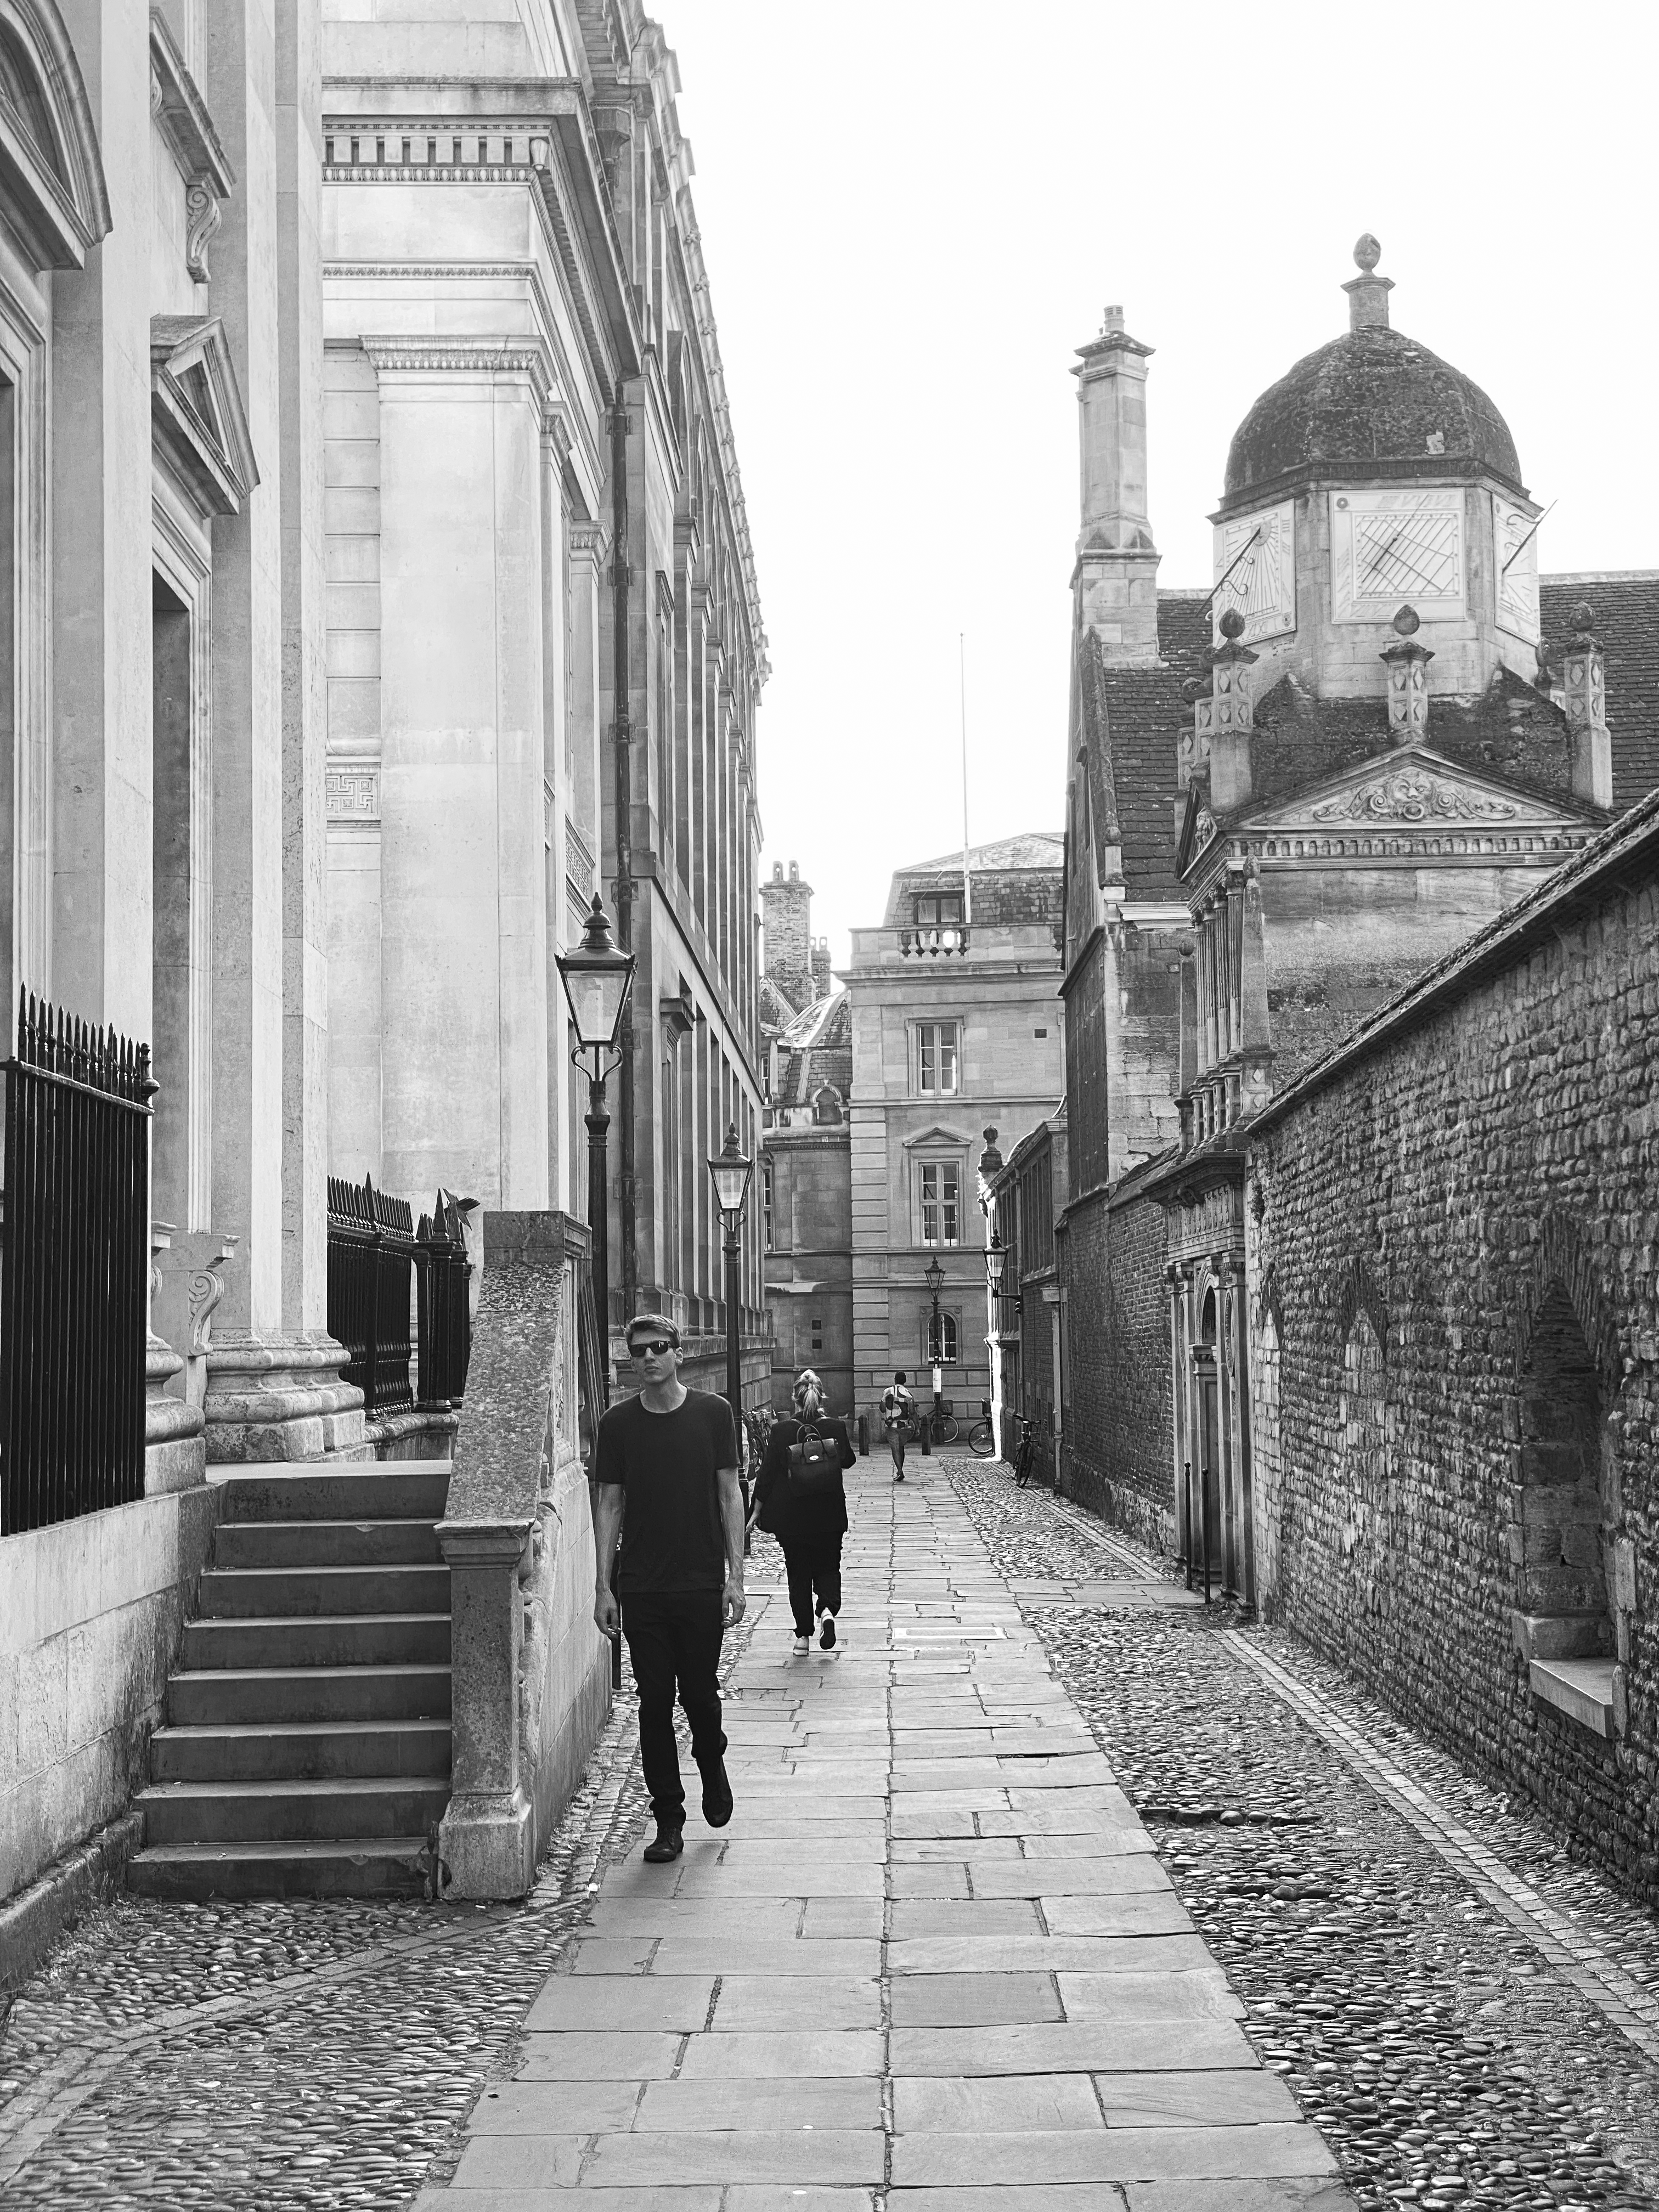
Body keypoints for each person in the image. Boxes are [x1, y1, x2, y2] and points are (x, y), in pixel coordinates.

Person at [589, 1316, 747, 1865]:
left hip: (701, 1581)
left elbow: (730, 1494)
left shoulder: (713, 1414)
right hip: (644, 1587)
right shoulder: (618, 1424)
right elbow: (608, 1504)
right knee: (654, 1701)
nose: (649, 1358)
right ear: (631, 1360)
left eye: (659, 1348)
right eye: (639, 1352)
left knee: (700, 1696)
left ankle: (712, 1757)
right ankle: (669, 1819)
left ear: (677, 1353)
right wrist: (602, 1585)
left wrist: (737, 1577)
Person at [751, 1378, 856, 1654]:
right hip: (829, 1514)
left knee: (798, 1574)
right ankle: (826, 1611)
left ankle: (803, 1638)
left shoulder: (782, 1431)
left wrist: (756, 1511)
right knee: (829, 1566)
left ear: (794, 1399)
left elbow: (767, 1474)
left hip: (793, 1518)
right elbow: (847, 1460)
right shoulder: (835, 1427)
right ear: (822, 1397)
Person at [881, 1370, 916, 1481]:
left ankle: (900, 1471)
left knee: (895, 1448)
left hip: (891, 1425)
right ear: (905, 1381)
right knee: (901, 1448)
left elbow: (882, 1409)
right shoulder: (909, 1394)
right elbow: (912, 1412)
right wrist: (917, 1426)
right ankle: (900, 1469)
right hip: (903, 1426)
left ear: (895, 1380)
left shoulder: (888, 1391)